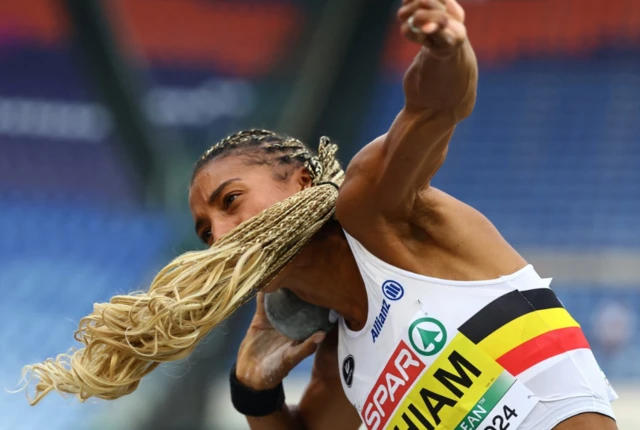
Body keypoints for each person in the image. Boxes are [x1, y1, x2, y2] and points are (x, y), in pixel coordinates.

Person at [23, 0, 618, 429]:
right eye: (205, 232)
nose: (221, 236)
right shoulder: (339, 356)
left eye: (231, 201)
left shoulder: (375, 210)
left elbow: (436, 107)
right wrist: (254, 393)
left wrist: (445, 46)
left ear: (304, 181)